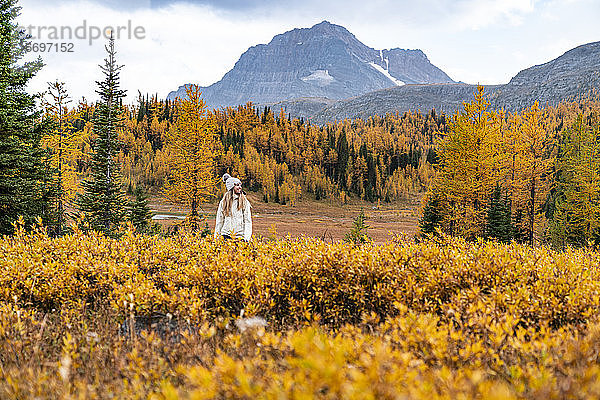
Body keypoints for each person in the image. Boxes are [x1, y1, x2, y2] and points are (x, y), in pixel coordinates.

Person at [214, 173, 252, 241]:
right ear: (231, 187)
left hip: (239, 237)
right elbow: (219, 221)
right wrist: (216, 238)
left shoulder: (244, 202)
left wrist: (246, 238)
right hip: (225, 236)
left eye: (240, 185)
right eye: (237, 185)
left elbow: (248, 221)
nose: (240, 187)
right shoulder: (224, 202)